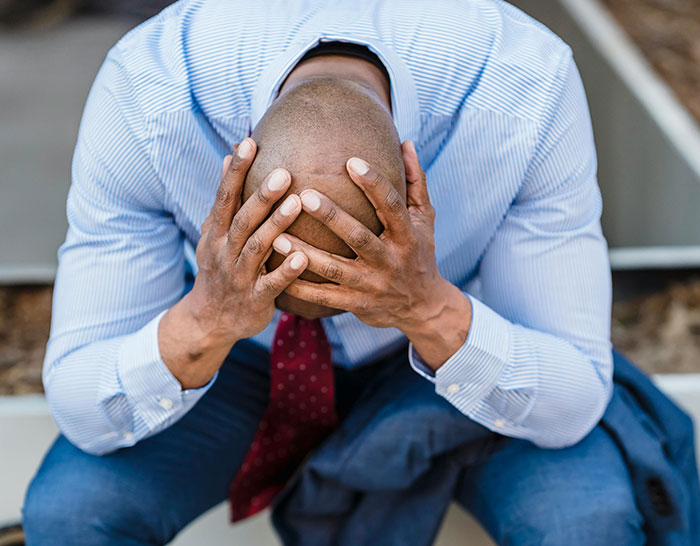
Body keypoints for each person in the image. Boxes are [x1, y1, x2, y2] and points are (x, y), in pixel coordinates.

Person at [22, 1, 656, 543]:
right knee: (74, 512)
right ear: (238, 169)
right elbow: (81, 403)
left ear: (411, 184)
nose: (330, 297)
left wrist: (426, 307)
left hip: (436, 349)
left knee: (588, 517)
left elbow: (574, 397)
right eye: (284, 275)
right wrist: (207, 318)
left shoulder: (525, 85)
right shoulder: (149, 92)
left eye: (347, 282)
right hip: (233, 354)